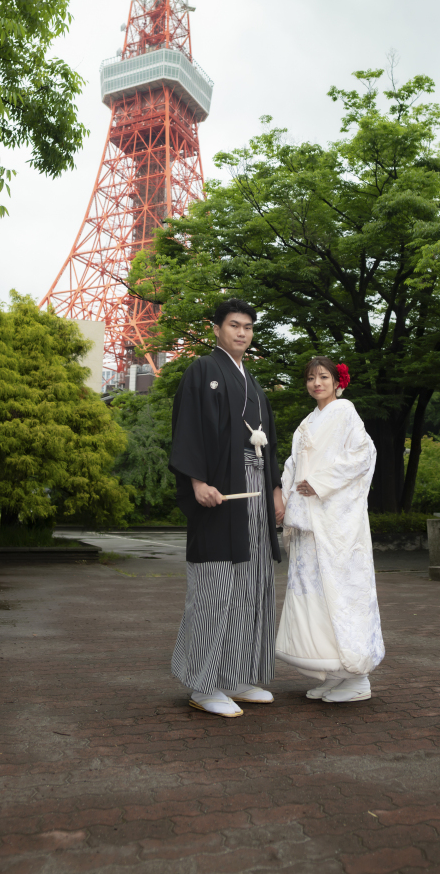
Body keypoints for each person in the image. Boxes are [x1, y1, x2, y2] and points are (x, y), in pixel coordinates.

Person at [169, 298, 285, 717]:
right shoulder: (203, 370)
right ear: (216, 328)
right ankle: (203, 683)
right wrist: (197, 479)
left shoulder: (252, 382)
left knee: (251, 584)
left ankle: (234, 674)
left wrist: (274, 487)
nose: (242, 333)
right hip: (221, 491)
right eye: (234, 325)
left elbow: (267, 438)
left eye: (248, 327)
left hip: (253, 489)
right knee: (215, 587)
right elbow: (188, 427)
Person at [275, 357, 385, 703]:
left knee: (341, 591)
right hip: (309, 520)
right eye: (310, 378)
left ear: (339, 382)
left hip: (336, 522)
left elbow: (364, 455)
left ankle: (357, 677)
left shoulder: (345, 412)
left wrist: (319, 482)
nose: (316, 383)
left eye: (323, 377)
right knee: (313, 594)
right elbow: (295, 463)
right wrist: (285, 498)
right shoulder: (309, 420)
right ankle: (332, 672)